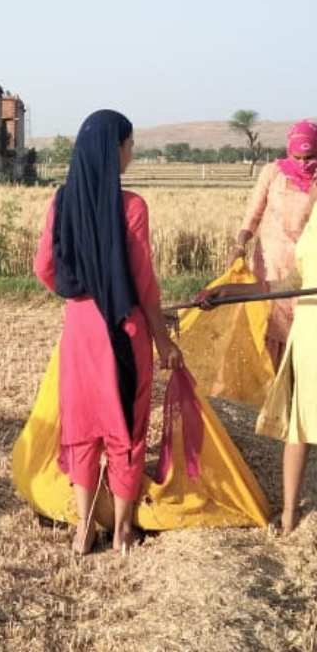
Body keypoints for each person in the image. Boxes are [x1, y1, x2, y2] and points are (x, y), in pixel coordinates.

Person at [33, 110, 182, 554]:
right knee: (126, 430)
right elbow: (144, 282)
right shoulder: (133, 207)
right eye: (129, 146)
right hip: (124, 331)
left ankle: (83, 529)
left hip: (79, 332)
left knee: (82, 428)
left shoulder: (60, 202)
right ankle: (121, 530)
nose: (131, 154)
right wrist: (162, 338)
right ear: (112, 149)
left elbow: (44, 268)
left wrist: (83, 294)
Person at [204, 180, 317, 535]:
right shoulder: (313, 223)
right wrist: (234, 290)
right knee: (299, 423)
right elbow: (293, 281)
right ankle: (287, 514)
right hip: (308, 330)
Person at [229, 120, 317, 366]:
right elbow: (253, 214)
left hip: (304, 268)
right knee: (270, 326)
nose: (303, 163)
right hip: (269, 263)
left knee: (301, 329)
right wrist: (239, 245)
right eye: (297, 157)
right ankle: (272, 390)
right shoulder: (272, 173)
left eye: (309, 157)